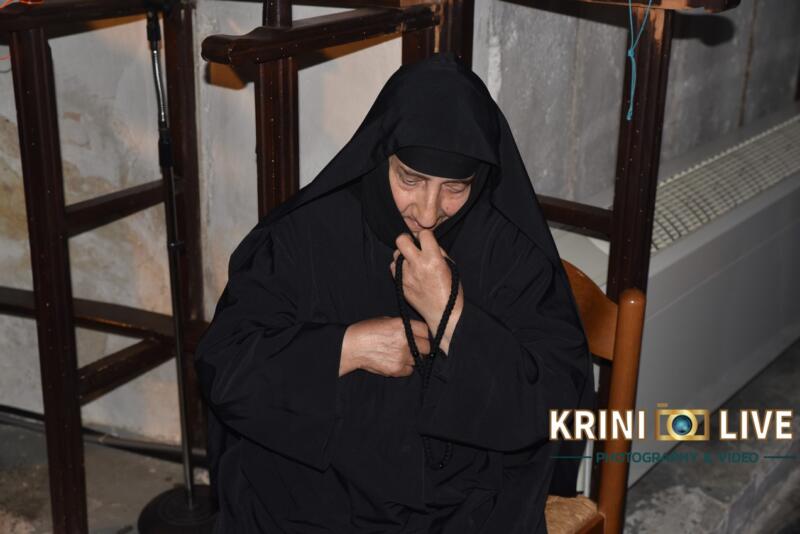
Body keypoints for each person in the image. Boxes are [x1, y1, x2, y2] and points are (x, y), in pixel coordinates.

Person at [195, 52, 595, 533]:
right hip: (314, 498)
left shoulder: (507, 250)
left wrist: (453, 317)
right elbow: (226, 368)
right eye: (411, 179)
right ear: (381, 155)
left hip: (458, 508)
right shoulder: (306, 234)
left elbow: (557, 405)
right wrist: (347, 347)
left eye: (455, 188)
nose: (428, 212)